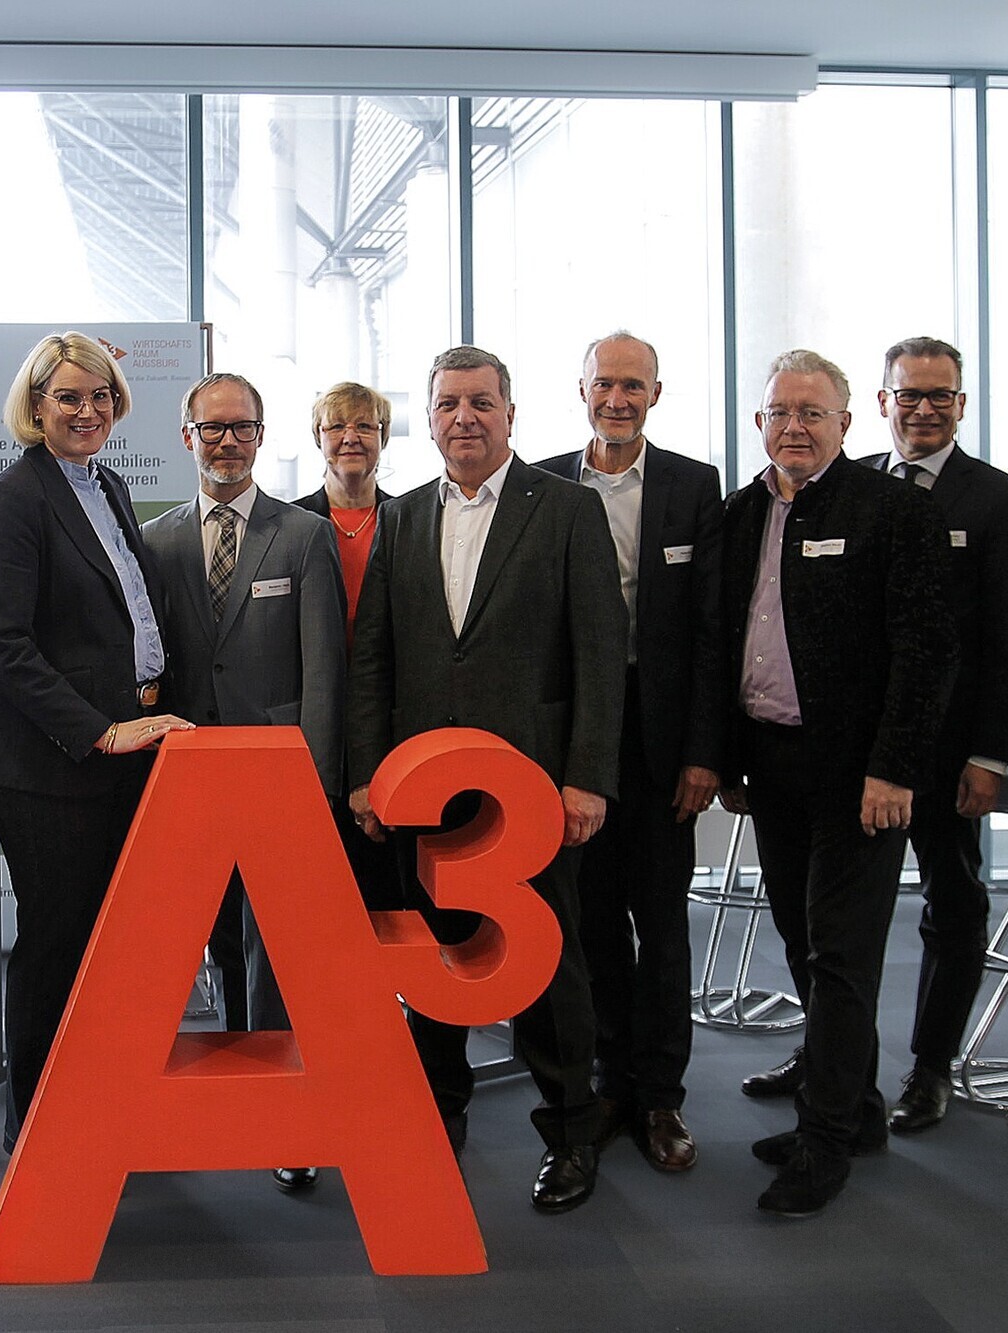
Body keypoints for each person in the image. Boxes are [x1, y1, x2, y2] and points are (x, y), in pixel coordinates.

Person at [347, 344, 625, 1215]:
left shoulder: (569, 511)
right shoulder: (401, 518)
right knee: (435, 963)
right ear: (427, 419)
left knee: (547, 963)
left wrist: (586, 778)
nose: (463, 418)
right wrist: (367, 776)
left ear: (511, 413)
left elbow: (599, 655)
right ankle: (438, 1116)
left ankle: (572, 1129)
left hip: (533, 793)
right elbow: (374, 661)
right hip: (426, 790)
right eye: (447, 405)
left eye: (480, 403)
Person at [745, 337, 1008, 1135]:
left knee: (950, 901)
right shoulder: (849, 484)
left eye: (939, 394)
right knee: (825, 927)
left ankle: (932, 1065)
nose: (922, 407)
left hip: (941, 756)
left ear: (961, 404)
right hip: (848, 752)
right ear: (880, 404)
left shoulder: (999, 499)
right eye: (908, 394)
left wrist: (988, 752)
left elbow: (1006, 640)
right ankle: (837, 1063)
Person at [718, 349, 954, 1217]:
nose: (795, 426)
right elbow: (722, 638)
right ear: (760, 424)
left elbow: (927, 651)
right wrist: (730, 758)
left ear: (848, 424)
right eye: (780, 411)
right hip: (773, 765)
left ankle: (823, 1144)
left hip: (862, 776)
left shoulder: (893, 511)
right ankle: (853, 1110)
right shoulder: (743, 512)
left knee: (842, 957)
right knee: (799, 940)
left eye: (813, 413)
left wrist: (894, 766)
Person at [0, 332, 194, 1158]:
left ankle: (96, 1104)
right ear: (34, 406)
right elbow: (4, 644)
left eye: (99, 396)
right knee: (58, 944)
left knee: (111, 944)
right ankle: (40, 1125)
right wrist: (98, 728)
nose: (87, 410)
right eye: (68, 397)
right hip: (49, 766)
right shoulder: (15, 499)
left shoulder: (109, 485)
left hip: (122, 756)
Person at [141, 371, 346, 1193]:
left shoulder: (303, 536)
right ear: (187, 437)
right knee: (203, 936)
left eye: (243, 427)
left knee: (276, 946)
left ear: (262, 436)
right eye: (211, 427)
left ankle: (285, 1111)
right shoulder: (154, 542)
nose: (228, 441)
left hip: (278, 774)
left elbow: (326, 671)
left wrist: (321, 784)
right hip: (184, 775)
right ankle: (204, 1088)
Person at [536, 332, 724, 1173]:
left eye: (634, 385)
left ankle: (661, 1096)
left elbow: (714, 632)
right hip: (575, 741)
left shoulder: (693, 486)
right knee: (592, 919)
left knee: (664, 924)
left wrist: (703, 753)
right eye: (605, 383)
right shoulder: (541, 483)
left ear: (657, 392)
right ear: (581, 389)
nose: (618, 398)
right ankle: (610, 1080)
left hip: (659, 745)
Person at [293, 381, 401, 911]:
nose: (351, 437)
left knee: (384, 887)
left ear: (384, 438)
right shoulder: (288, 525)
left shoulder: (412, 522)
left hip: (388, 723)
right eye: (337, 426)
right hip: (312, 720)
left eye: (366, 426)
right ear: (318, 437)